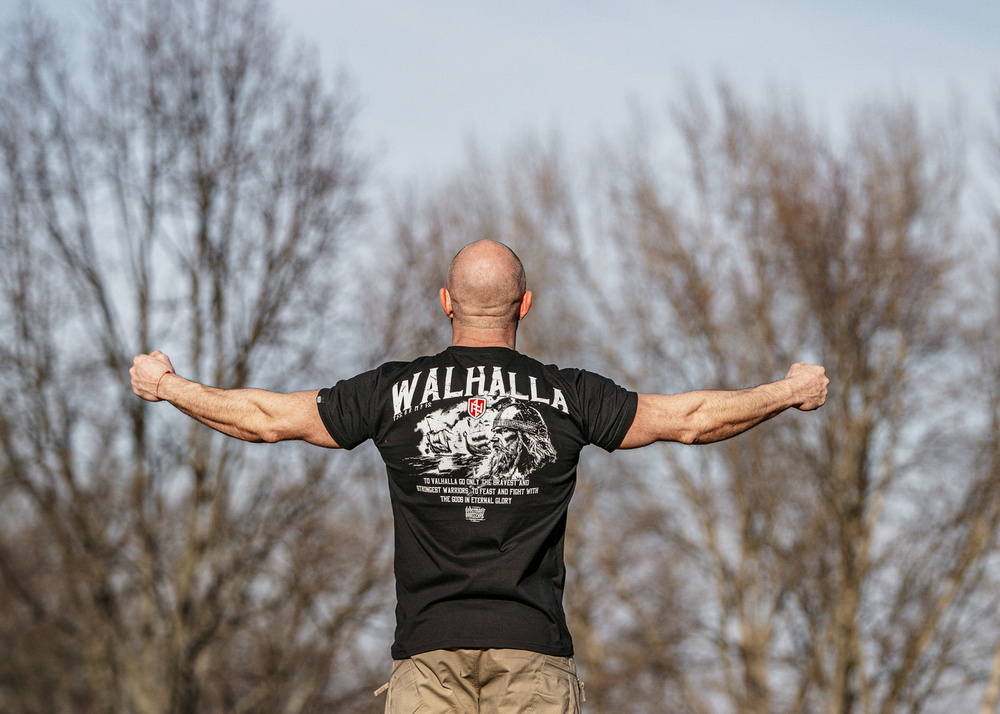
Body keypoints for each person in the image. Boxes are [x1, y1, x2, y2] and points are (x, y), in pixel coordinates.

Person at [130, 239, 828, 713]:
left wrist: (169, 386)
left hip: (427, 659)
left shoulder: (391, 391)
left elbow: (266, 419)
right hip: (534, 657)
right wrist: (787, 391)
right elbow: (692, 420)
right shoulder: (571, 395)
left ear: (446, 302)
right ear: (525, 305)